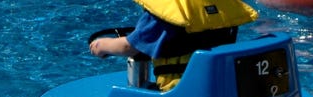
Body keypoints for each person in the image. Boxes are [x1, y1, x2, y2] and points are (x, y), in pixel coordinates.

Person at [89, 0, 258, 91]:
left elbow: (129, 47)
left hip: (177, 92)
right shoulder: (222, 6)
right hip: (217, 86)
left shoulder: (166, 14)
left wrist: (102, 45)